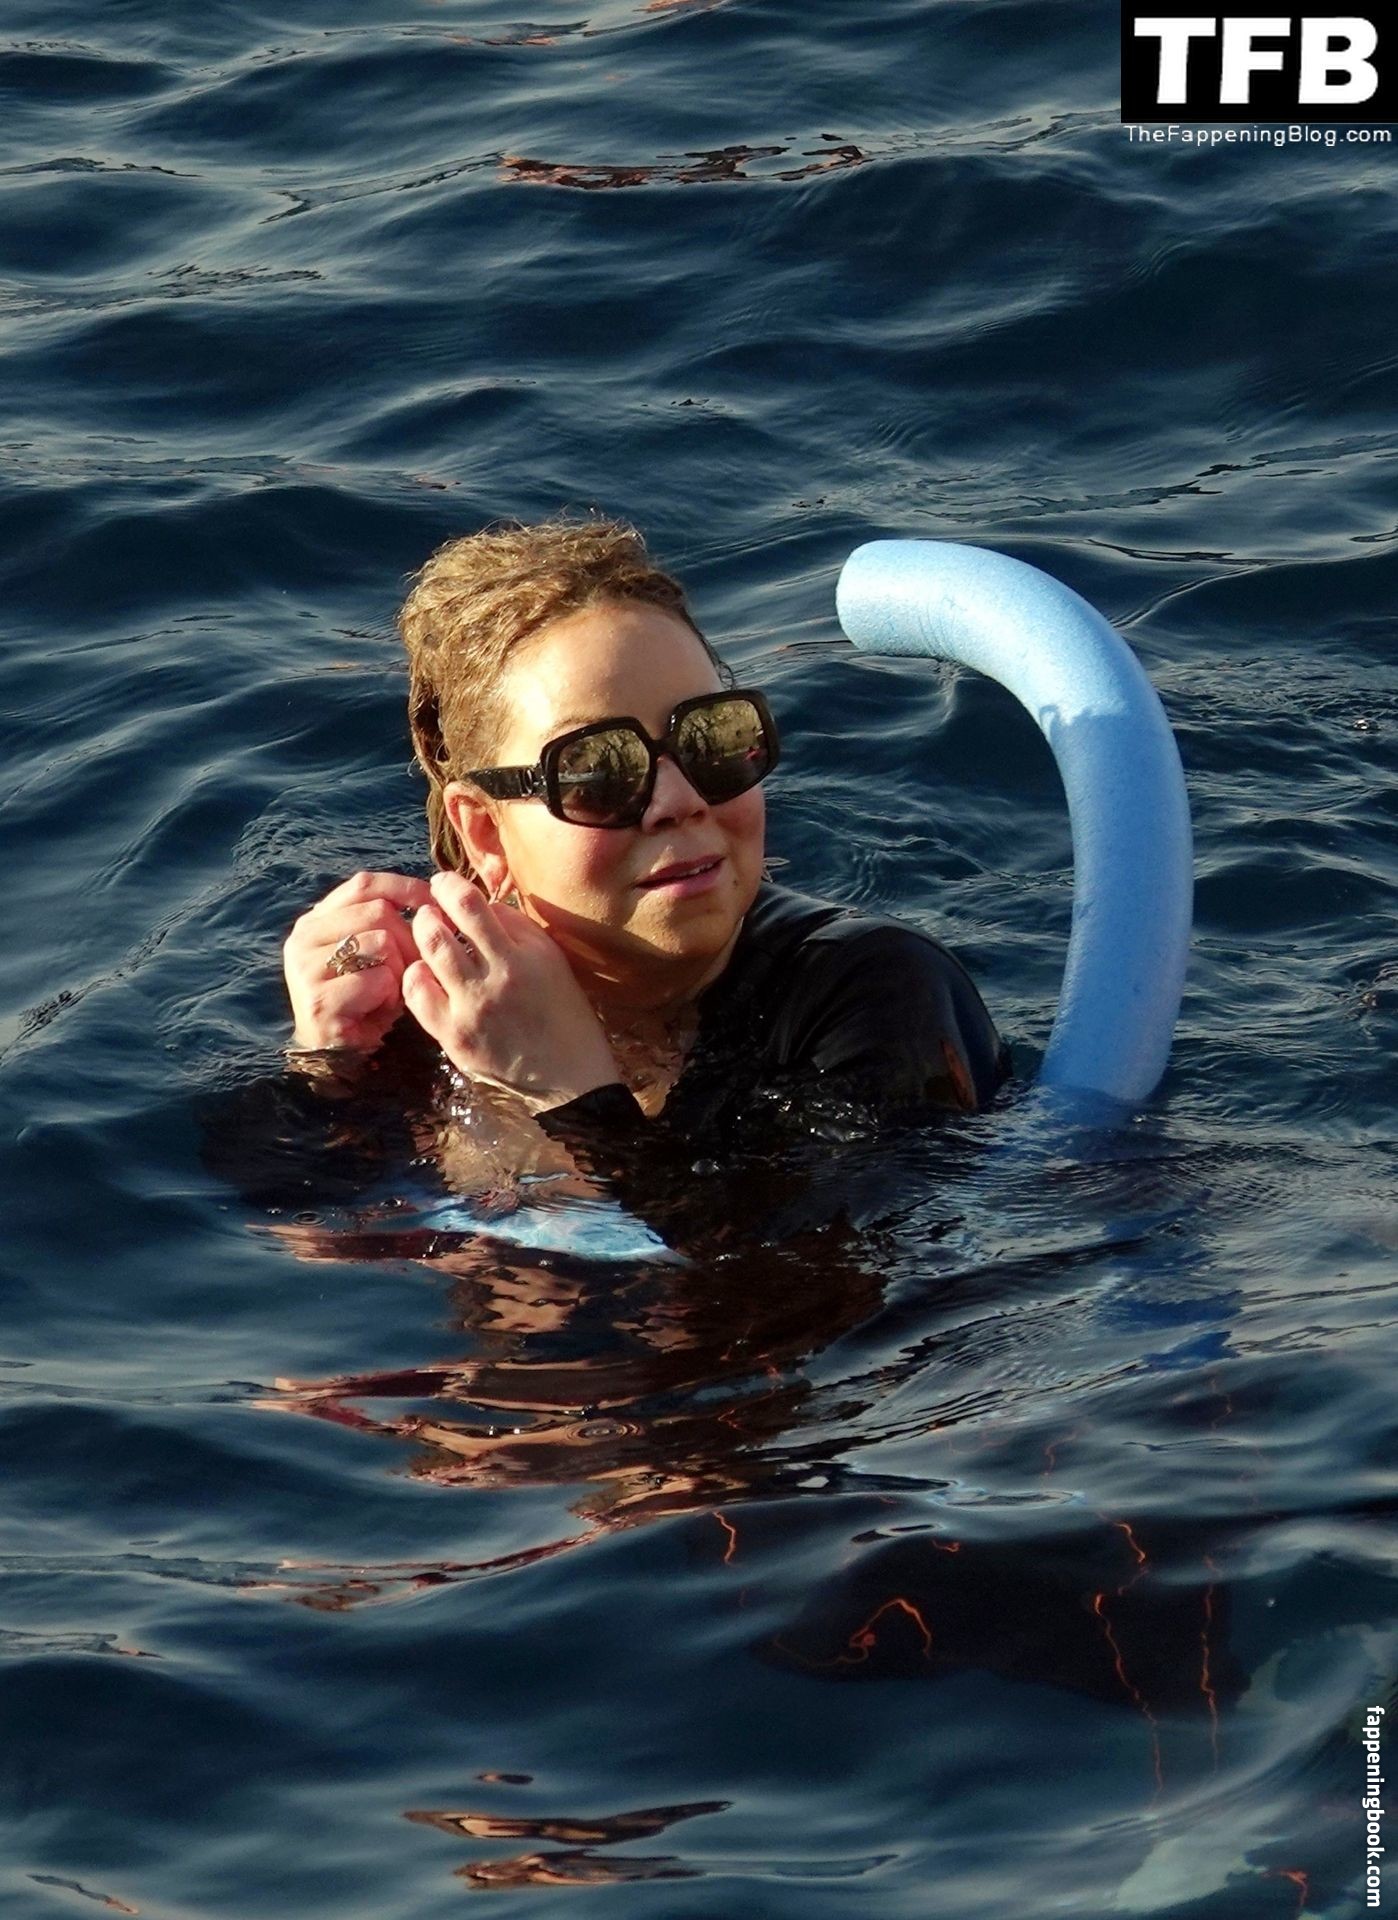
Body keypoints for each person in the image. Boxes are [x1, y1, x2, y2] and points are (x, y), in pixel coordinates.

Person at [270, 516, 1008, 1243]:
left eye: (711, 740)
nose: (680, 800)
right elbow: (286, 1240)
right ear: (486, 832)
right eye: (598, 769)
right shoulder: (431, 1006)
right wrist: (328, 1070)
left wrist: (569, 1097)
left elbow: (791, 1291)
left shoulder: (874, 992)